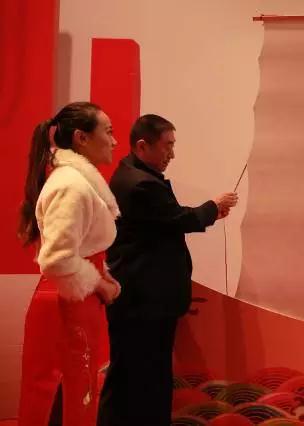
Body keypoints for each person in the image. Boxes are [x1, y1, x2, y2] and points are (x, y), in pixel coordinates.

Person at [97, 114, 238, 425]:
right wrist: (213, 206)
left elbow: (166, 220)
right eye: (167, 146)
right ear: (142, 146)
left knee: (136, 376)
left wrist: (211, 211)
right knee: (143, 379)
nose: (172, 154)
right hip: (143, 301)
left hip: (140, 298)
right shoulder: (140, 184)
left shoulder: (131, 173)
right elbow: (176, 219)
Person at [17, 102, 121, 426]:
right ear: (81, 138)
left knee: (81, 390)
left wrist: (102, 278)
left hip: (75, 299)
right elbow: (57, 258)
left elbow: (80, 249)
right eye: (108, 132)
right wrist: (99, 283)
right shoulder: (71, 186)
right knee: (66, 396)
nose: (114, 141)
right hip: (65, 304)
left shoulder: (76, 182)